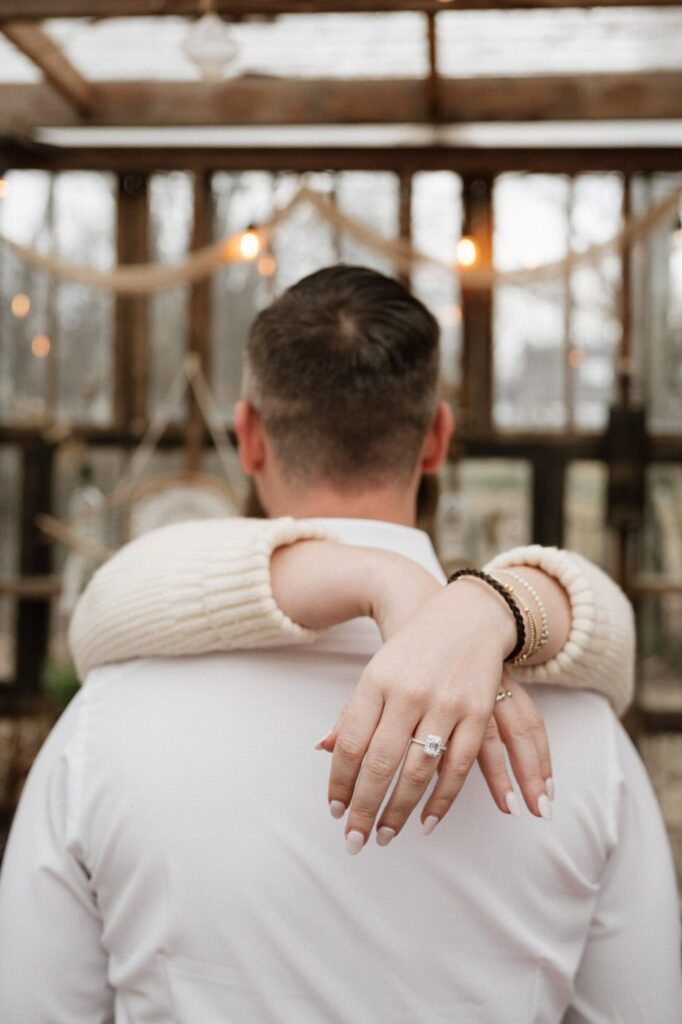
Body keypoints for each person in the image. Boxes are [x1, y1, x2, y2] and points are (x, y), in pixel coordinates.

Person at [1, 266, 680, 1022]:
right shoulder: (582, 734)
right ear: (437, 441)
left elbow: (37, 1005)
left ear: (250, 438)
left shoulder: (105, 724)